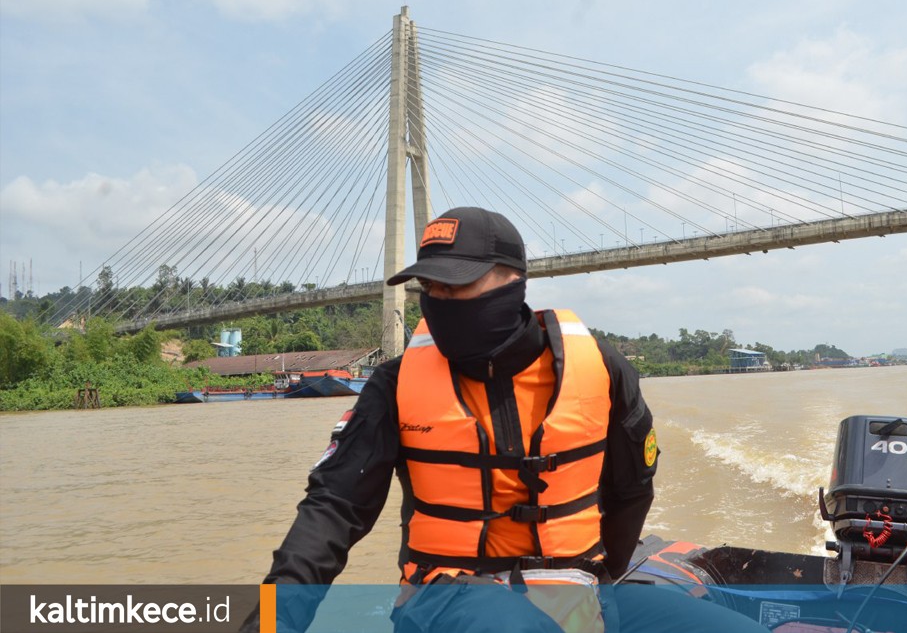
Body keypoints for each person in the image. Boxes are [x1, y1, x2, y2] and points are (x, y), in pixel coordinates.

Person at [241, 206, 768, 633]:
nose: (441, 302)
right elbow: (333, 509)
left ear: (513, 281)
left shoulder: (602, 369)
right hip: (446, 598)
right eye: (432, 288)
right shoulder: (394, 384)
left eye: (458, 286)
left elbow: (632, 491)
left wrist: (602, 581)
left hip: (577, 589)